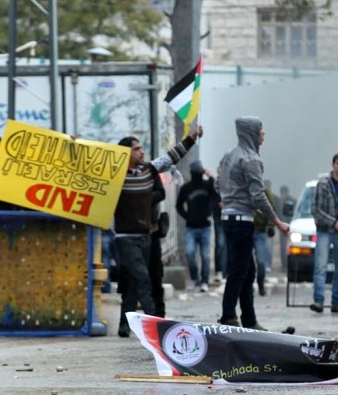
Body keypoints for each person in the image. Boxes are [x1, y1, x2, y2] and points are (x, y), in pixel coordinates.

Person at [115, 126, 203, 337]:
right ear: (125, 153)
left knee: (136, 281)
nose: (141, 152)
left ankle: (124, 324)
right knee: (143, 278)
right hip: (125, 238)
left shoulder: (149, 170)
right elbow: (86, 167)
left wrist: (190, 139)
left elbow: (171, 157)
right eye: (136, 149)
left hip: (146, 236)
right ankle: (155, 326)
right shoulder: (114, 175)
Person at [217, 117, 289, 329]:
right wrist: (277, 221)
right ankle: (228, 315)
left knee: (248, 272)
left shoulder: (228, 156)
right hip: (242, 221)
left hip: (229, 219)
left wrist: (228, 198)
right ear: (252, 132)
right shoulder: (251, 160)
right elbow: (258, 195)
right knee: (239, 271)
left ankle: (249, 319)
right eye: (261, 129)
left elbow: (216, 183)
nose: (264, 133)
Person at [310, 153, 338, 314]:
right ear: (333, 164)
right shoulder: (323, 185)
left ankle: (337, 302)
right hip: (325, 231)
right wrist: (335, 223)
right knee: (320, 267)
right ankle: (319, 301)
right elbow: (315, 209)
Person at [177, 160, 216, 292]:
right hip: (191, 227)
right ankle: (194, 278)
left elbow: (217, 193)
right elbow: (179, 205)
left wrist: (210, 177)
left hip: (205, 226)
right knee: (189, 253)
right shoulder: (186, 188)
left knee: (205, 256)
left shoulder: (207, 186)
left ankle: (205, 280)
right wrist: (187, 216)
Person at [278, 184, 296, 273]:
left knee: (291, 248)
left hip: (292, 229)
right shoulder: (279, 202)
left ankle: (290, 265)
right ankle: (284, 266)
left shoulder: (293, 201)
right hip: (282, 229)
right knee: (283, 248)